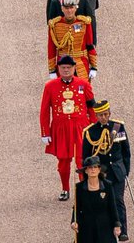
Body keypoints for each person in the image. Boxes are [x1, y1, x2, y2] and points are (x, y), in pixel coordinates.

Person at [40, 55, 95, 200]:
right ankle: (65, 189)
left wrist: (95, 127)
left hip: (80, 128)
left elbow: (91, 107)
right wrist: (45, 132)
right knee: (63, 162)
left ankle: (84, 188)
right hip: (61, 129)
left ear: (74, 68)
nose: (66, 70)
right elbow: (44, 111)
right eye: (63, 68)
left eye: (69, 68)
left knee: (82, 160)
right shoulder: (50, 87)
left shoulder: (83, 84)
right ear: (58, 69)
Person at [81, 100, 131, 240]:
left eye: (105, 114)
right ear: (96, 116)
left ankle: (122, 230)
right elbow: (85, 156)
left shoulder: (118, 127)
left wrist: (125, 171)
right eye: (100, 115)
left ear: (109, 113)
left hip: (117, 171)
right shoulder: (90, 132)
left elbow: (126, 152)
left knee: (118, 199)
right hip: (101, 173)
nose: (103, 117)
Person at [48, 0, 97, 81]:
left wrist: (94, 66)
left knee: (82, 92)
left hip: (81, 64)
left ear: (76, 8)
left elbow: (90, 45)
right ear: (62, 8)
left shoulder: (84, 23)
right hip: (63, 66)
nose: (69, 11)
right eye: (66, 8)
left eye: (71, 7)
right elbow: (51, 48)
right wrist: (52, 70)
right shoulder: (54, 25)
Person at [70, 156, 121, 243]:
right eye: (90, 167)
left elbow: (112, 206)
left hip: (105, 227)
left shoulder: (107, 186)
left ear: (99, 169)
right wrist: (74, 221)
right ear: (86, 171)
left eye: (95, 167)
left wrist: (116, 224)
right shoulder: (79, 187)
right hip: (86, 227)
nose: (93, 170)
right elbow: (77, 208)